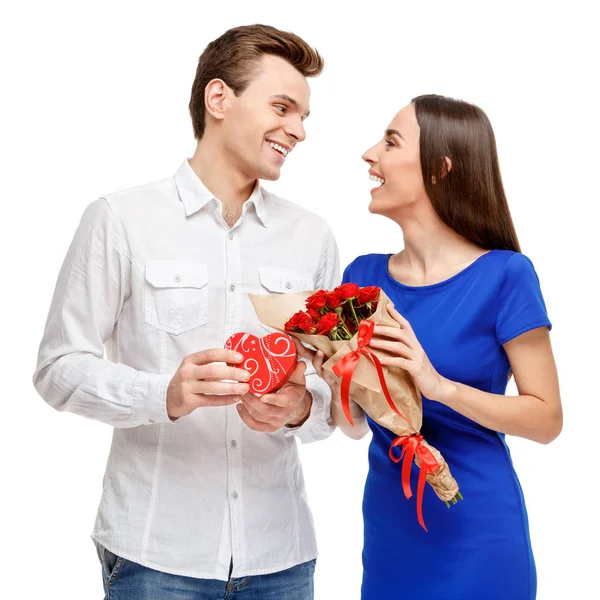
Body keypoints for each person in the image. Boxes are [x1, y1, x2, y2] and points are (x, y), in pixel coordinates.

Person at [33, 24, 339, 600]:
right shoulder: (119, 219)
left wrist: (301, 407)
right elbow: (57, 368)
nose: (297, 130)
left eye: (303, 116)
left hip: (282, 556)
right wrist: (164, 395)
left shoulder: (312, 237)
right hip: (156, 557)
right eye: (283, 107)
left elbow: (338, 397)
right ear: (218, 99)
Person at [299, 94, 562, 600]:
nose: (369, 154)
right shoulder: (363, 279)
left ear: (440, 169)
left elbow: (547, 420)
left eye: (391, 141)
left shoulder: (506, 275)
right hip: (390, 534)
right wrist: (334, 375)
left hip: (477, 532)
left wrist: (439, 387)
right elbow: (354, 428)